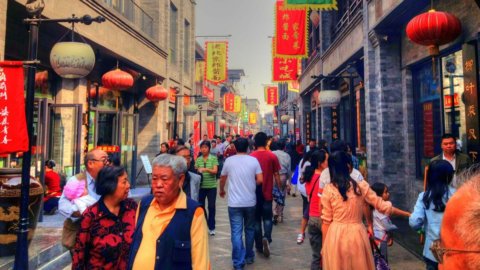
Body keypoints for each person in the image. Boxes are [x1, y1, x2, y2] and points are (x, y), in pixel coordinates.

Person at [321, 151, 410, 270]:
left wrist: (325, 246)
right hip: (357, 234)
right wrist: (407, 214)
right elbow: (383, 206)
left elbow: (326, 222)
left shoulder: (328, 190)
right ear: (348, 166)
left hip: (335, 236)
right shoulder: (361, 186)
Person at [128, 154, 210, 269]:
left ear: (180, 180)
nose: (158, 185)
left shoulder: (193, 213)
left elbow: (201, 263)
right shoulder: (144, 204)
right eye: (155, 178)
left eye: (164, 179)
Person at [72, 166, 137, 269]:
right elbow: (79, 255)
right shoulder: (91, 216)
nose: (128, 185)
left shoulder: (132, 207)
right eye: (124, 182)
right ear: (110, 185)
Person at [219, 138, 263, 270]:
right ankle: (249, 256)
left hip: (234, 203)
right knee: (249, 230)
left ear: (235, 147)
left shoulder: (229, 161)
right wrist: (251, 185)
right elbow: (260, 180)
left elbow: (222, 178)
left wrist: (222, 190)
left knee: (236, 232)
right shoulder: (253, 160)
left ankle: (238, 262)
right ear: (248, 147)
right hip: (250, 202)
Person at [410, 160, 456, 270]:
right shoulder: (456, 195)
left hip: (432, 251)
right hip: (454, 250)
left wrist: (422, 228)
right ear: (448, 176)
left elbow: (414, 222)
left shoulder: (424, 197)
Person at [436, 166, 480, 270]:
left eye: (445, 252)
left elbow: (414, 221)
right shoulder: (458, 193)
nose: (440, 267)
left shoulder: (424, 196)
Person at [250, 132, 281, 258]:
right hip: (268, 193)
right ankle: (267, 238)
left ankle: (258, 244)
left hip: (254, 194)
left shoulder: (251, 157)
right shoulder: (272, 156)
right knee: (267, 219)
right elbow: (276, 174)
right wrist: (280, 187)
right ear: (266, 142)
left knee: (256, 220)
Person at [59, 149, 109, 219]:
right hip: (80, 227)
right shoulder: (76, 180)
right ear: (90, 164)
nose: (108, 163)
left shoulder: (111, 179)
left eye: (108, 159)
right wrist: (82, 211)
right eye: (104, 160)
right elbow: (63, 205)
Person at [303, 150, 328, 270]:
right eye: (326, 160)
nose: (328, 162)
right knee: (328, 254)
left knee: (316, 255)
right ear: (320, 163)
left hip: (312, 218)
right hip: (324, 218)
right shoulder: (324, 179)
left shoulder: (309, 175)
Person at [195, 140, 219, 235]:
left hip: (211, 187)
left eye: (205, 147)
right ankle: (205, 223)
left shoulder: (213, 158)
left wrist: (205, 169)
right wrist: (197, 170)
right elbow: (196, 170)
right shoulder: (198, 159)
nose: (204, 149)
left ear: (209, 148)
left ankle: (212, 227)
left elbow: (215, 171)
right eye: (202, 147)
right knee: (200, 206)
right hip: (201, 187)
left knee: (211, 206)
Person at [371, 182, 398, 262]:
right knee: (382, 261)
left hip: (376, 237)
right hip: (380, 238)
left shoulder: (374, 207)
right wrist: (395, 228)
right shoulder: (380, 210)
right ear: (379, 196)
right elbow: (388, 226)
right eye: (386, 192)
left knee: (378, 260)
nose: (388, 194)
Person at [270, 141, 291, 224]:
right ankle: (280, 215)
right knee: (281, 195)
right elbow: (289, 169)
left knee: (273, 194)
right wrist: (288, 181)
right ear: (284, 147)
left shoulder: (272, 154)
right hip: (283, 176)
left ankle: (274, 211)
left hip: (273, 176)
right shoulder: (287, 155)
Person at [296, 151, 312, 244]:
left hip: (301, 187)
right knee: (307, 204)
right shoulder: (308, 164)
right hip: (305, 187)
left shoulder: (302, 161)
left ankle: (304, 218)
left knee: (305, 203)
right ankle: (306, 219)